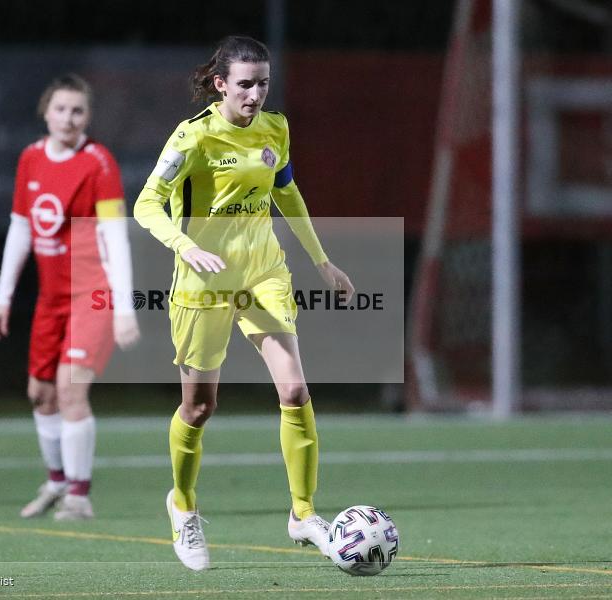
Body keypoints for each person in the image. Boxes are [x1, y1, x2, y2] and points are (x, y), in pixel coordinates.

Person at [134, 36, 354, 570]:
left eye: (263, 83)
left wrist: (322, 260)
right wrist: (187, 246)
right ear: (220, 85)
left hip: (264, 274)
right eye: (245, 84)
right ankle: (182, 505)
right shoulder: (195, 138)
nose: (255, 94)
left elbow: (286, 191)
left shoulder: (275, 127)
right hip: (202, 283)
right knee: (200, 407)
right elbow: (147, 204)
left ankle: (303, 514)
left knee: (296, 390)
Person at [0, 74, 140, 521]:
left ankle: (79, 495)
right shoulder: (31, 158)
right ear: (46, 113)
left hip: (93, 293)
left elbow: (116, 235)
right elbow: (21, 226)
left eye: (77, 111)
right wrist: (3, 296)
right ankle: (56, 481)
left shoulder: (99, 163)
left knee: (71, 390)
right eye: (60, 109)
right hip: (51, 298)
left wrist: (124, 308)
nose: (68, 118)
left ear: (87, 117)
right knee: (41, 394)